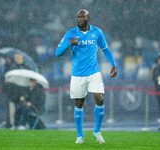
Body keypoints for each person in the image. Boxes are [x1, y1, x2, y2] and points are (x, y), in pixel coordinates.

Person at [55, 9, 117, 144]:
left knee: (100, 99)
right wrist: (69, 43)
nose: (80, 19)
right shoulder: (71, 33)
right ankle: (80, 135)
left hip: (94, 72)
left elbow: (105, 49)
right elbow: (58, 53)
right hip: (77, 75)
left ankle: (97, 131)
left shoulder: (97, 32)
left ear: (88, 18)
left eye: (83, 16)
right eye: (78, 17)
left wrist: (113, 64)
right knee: (79, 103)